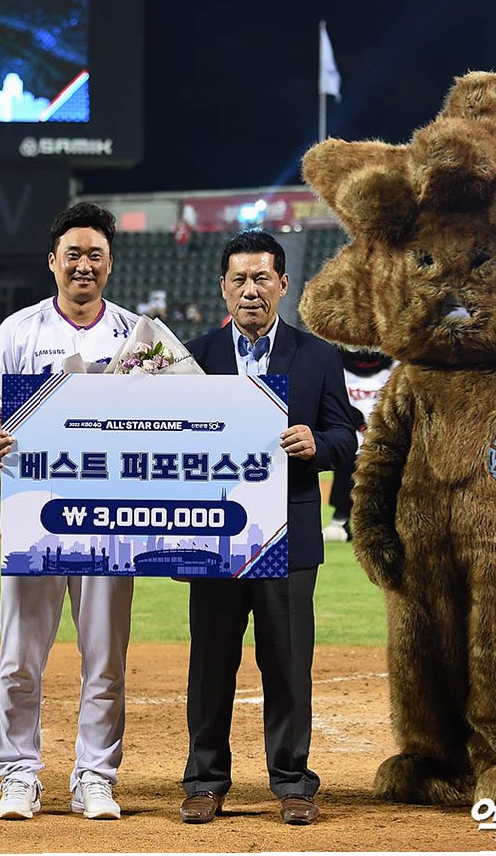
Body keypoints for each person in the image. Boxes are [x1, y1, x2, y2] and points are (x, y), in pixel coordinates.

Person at [178, 229, 356, 826]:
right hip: (213, 535)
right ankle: (205, 781)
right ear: (222, 287)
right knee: (210, 665)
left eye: (261, 278)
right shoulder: (192, 359)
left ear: (283, 284)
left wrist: (317, 443)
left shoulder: (317, 356)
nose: (250, 290)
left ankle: (293, 782)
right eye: (239, 279)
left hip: (289, 534)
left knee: (287, 664)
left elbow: (345, 436)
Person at [0, 202, 138, 821]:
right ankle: (19, 774)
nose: (84, 264)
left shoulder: (139, 336)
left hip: (113, 519)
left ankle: (95, 776)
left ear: (110, 264)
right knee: (20, 656)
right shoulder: (18, 331)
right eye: (74, 254)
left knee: (106, 658)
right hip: (35, 514)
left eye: (95, 254)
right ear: (53, 262)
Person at [322, 348, 394, 542]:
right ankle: (340, 519)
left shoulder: (395, 366)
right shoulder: (336, 366)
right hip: (350, 438)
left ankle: (386, 524)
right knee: (346, 477)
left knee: (388, 481)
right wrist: (358, 422)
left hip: (386, 438)